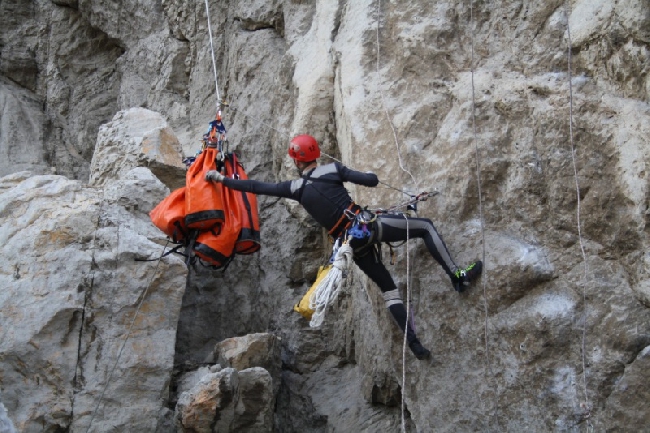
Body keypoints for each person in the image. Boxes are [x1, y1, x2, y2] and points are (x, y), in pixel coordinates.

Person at [205, 134, 482, 360]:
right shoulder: (331, 169)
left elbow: (255, 186)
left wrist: (221, 180)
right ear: (316, 154)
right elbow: (370, 180)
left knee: (389, 290)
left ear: (296, 161)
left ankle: (415, 345)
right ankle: (457, 277)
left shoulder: (295, 187)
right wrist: (372, 176)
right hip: (367, 227)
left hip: (350, 246)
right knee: (425, 227)